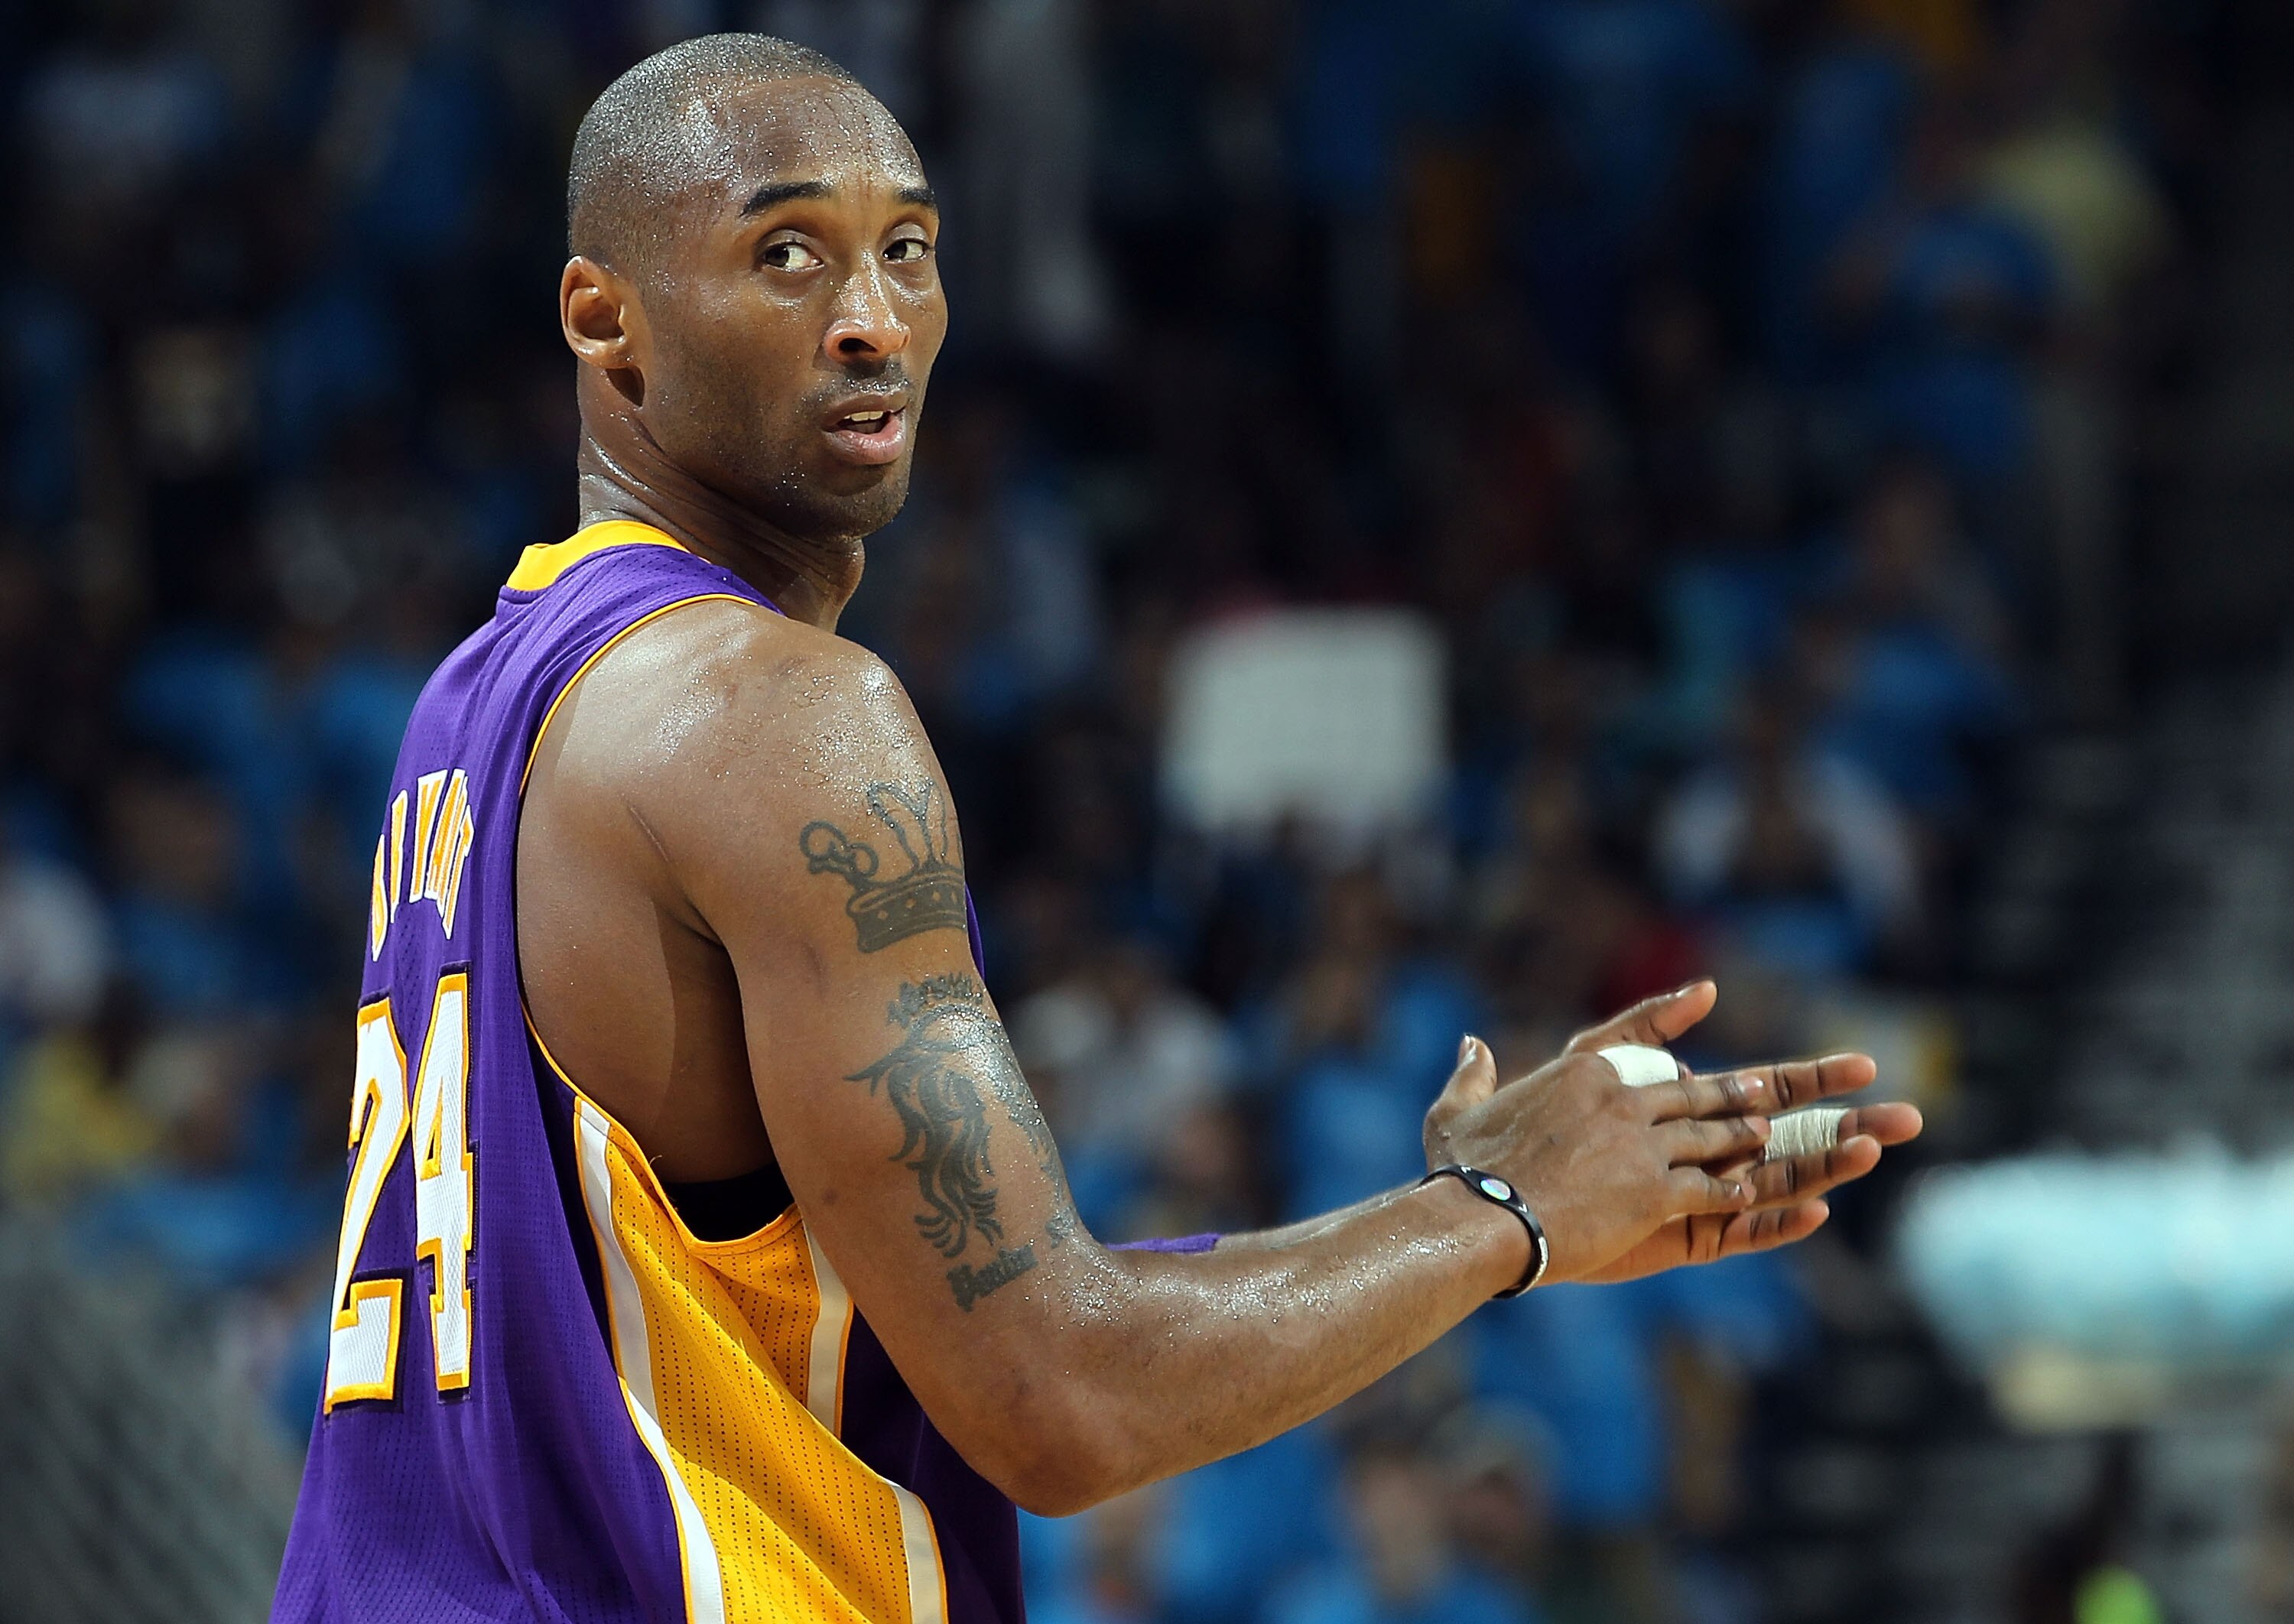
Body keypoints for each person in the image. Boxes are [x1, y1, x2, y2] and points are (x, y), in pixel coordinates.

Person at [270, 34, 1922, 1624]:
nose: (873, 320)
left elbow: (939, 1305)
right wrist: (1505, 1217)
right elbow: (1057, 1395)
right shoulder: (777, 715)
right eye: (786, 255)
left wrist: (1436, 1208)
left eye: (907, 250)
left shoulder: (473, 710)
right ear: (603, 317)